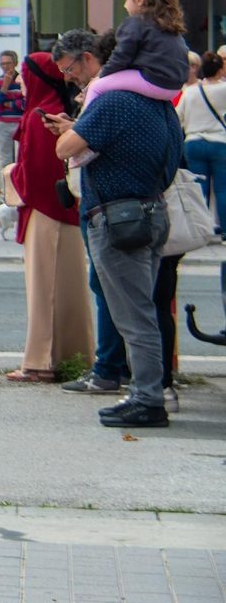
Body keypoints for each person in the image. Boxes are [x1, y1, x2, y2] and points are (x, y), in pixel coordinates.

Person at [50, 28, 183, 429]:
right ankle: (149, 392)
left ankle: (147, 399)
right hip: (152, 209)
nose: (72, 77)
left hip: (116, 216)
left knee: (134, 316)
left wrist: (72, 131)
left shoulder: (112, 102)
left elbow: (64, 149)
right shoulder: (158, 102)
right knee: (146, 309)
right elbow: (174, 153)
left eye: (72, 68)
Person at [4, 52, 94, 383]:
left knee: (45, 288)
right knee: (67, 287)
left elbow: (39, 172)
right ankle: (74, 356)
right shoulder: (59, 106)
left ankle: (41, 362)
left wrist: (11, 175)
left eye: (24, 77)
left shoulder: (40, 115)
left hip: (45, 210)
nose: (19, 84)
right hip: (64, 209)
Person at [79, 0, 191, 110]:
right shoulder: (166, 23)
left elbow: (121, 57)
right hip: (174, 87)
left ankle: (84, 128)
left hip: (154, 80)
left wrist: (100, 77)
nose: (125, 5)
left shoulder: (136, 22)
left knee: (96, 87)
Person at [178, 50, 226, 234]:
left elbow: (178, 117)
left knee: (198, 190)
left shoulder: (190, 92)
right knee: (222, 189)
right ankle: (224, 232)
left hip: (194, 143)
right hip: (220, 143)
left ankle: (200, 230)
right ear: (220, 70)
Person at [0, 50, 26, 166]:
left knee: (22, 157)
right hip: (3, 123)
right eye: (2, 64)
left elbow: (26, 104)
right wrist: (5, 84)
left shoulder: (23, 80)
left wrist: (7, 103)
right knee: (5, 158)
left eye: (8, 63)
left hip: (20, 122)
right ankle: (5, 184)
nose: (5, 66)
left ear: (15, 63)